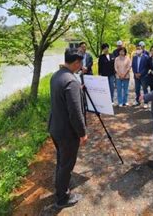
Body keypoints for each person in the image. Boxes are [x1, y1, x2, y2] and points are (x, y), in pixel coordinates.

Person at [48, 48, 88, 209]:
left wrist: (79, 90)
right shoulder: (71, 81)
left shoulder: (56, 76)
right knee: (67, 163)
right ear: (76, 62)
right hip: (67, 132)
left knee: (61, 160)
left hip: (55, 127)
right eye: (80, 64)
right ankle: (62, 197)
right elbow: (75, 113)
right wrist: (82, 133)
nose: (81, 67)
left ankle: (60, 184)